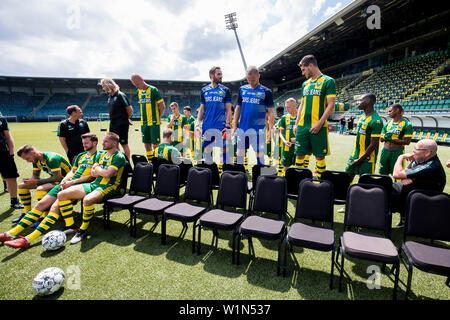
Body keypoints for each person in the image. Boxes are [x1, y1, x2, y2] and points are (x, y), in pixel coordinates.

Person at [1, 133, 101, 248]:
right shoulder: (81, 156)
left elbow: (93, 176)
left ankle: (27, 239)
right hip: (66, 184)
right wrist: (65, 181)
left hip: (80, 186)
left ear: (94, 143)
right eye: (83, 143)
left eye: (86, 143)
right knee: (40, 204)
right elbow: (72, 172)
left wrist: (71, 182)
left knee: (54, 207)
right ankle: (10, 234)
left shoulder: (99, 156)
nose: (83, 145)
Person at [48, 132, 127, 244]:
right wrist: (102, 172)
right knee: (62, 194)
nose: (102, 143)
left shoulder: (119, 156)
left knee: (87, 199)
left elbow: (108, 174)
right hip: (94, 184)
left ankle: (83, 230)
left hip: (109, 187)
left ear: (114, 143)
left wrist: (101, 171)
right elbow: (94, 173)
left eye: (106, 141)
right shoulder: (103, 155)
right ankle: (70, 226)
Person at [293, 55, 336, 179]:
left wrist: (320, 123)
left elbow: (331, 104)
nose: (302, 73)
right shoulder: (305, 84)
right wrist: (296, 123)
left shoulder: (328, 81)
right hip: (302, 126)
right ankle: (299, 181)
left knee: (319, 156)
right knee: (299, 155)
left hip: (318, 125)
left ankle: (321, 183)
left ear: (310, 66)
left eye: (303, 70)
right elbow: (302, 104)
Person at [392, 139, 446, 227]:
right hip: (413, 190)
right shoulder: (420, 159)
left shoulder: (431, 166)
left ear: (427, 152)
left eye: (416, 149)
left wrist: (400, 157)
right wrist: (403, 177)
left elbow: (397, 174)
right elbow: (403, 175)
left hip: (423, 197)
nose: (413, 151)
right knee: (386, 186)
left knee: (385, 194)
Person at [15, 145, 72, 225]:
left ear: (33, 153)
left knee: (41, 188)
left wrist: (36, 181)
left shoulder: (52, 158)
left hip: (67, 181)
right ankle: (27, 214)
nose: (28, 161)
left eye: (27, 158)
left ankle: (44, 217)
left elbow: (58, 178)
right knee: (21, 186)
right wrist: (30, 181)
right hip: (56, 180)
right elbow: (35, 177)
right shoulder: (36, 160)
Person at [233, 65, 274, 166]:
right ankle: (240, 177)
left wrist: (270, 129)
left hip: (258, 130)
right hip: (243, 128)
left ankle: (260, 178)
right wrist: (234, 125)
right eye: (248, 80)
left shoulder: (266, 92)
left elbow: (271, 112)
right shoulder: (242, 89)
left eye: (253, 80)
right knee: (240, 154)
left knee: (259, 155)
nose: (251, 82)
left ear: (258, 76)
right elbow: (238, 107)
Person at [197, 66, 232, 167]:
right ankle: (210, 172)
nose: (221, 76)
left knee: (225, 148)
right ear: (211, 76)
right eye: (219, 74)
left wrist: (228, 125)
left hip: (221, 126)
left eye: (221, 74)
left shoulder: (226, 90)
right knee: (208, 149)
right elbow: (202, 109)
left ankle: (225, 172)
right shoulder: (204, 90)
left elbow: (228, 109)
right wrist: (198, 124)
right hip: (207, 125)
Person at [345, 93, 383, 183]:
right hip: (355, 154)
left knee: (364, 183)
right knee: (346, 179)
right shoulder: (362, 117)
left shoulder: (376, 121)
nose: (358, 102)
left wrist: (361, 159)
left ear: (368, 101)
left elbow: (374, 144)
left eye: (361, 100)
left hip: (367, 158)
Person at [130, 73, 165, 162]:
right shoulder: (139, 92)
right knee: (146, 143)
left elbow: (162, 106)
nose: (136, 86)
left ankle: (158, 163)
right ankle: (150, 162)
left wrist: (158, 117)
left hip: (153, 122)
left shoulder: (153, 90)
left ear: (142, 79)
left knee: (155, 144)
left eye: (137, 84)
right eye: (135, 85)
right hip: (144, 122)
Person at [100, 78, 133, 160]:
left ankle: (127, 163)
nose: (103, 88)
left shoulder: (120, 95)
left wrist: (125, 119)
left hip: (121, 124)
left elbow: (130, 109)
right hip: (113, 124)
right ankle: (119, 160)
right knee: (114, 144)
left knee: (124, 144)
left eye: (103, 86)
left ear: (108, 85)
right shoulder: (110, 96)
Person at [379, 104, 413, 176]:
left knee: (397, 174)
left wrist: (389, 138)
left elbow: (407, 142)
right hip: (385, 152)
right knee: (382, 174)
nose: (388, 113)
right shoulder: (387, 124)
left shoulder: (407, 124)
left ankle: (396, 187)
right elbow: (381, 139)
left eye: (390, 111)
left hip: (397, 153)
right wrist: (388, 137)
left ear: (397, 110)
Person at [0, 115, 23, 209]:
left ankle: (14, 201)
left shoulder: (1, 119)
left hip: (3, 152)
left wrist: (11, 153)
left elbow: (8, 137)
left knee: (12, 176)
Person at [278, 98, 298, 174]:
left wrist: (297, 139)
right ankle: (285, 182)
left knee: (299, 167)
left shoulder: (301, 117)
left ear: (294, 106)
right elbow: (281, 133)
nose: (286, 109)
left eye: (288, 107)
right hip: (287, 146)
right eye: (286, 107)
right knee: (285, 167)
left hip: (298, 146)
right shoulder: (284, 118)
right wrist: (285, 141)